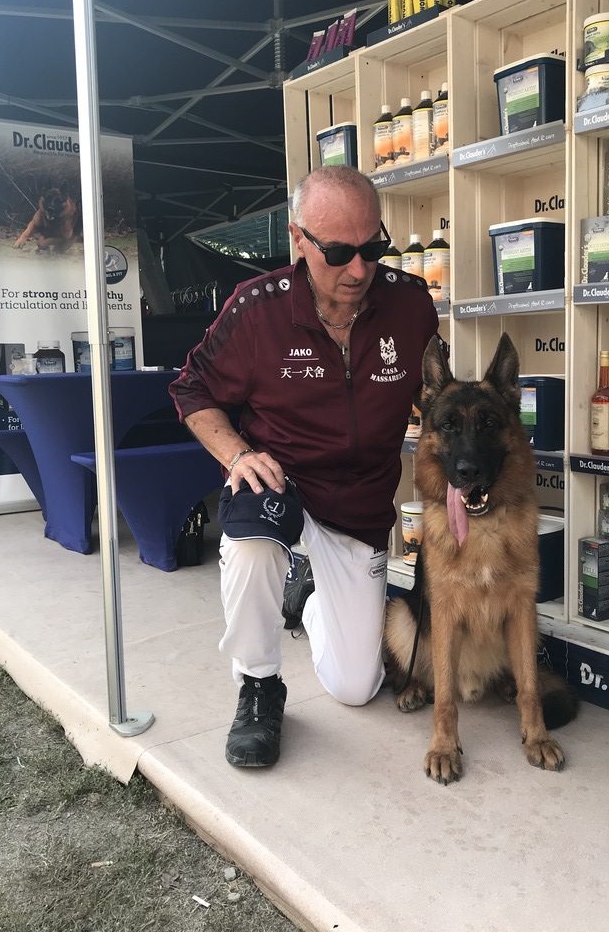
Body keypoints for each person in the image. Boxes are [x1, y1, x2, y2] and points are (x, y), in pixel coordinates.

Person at [169, 166, 438, 768]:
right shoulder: (256, 309)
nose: (359, 270)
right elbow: (192, 389)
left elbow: (436, 394)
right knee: (250, 546)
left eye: (373, 248)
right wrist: (238, 455)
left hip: (360, 503)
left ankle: (311, 596)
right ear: (298, 238)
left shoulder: (410, 304)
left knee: (356, 687)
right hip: (280, 487)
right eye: (339, 253)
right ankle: (259, 684)